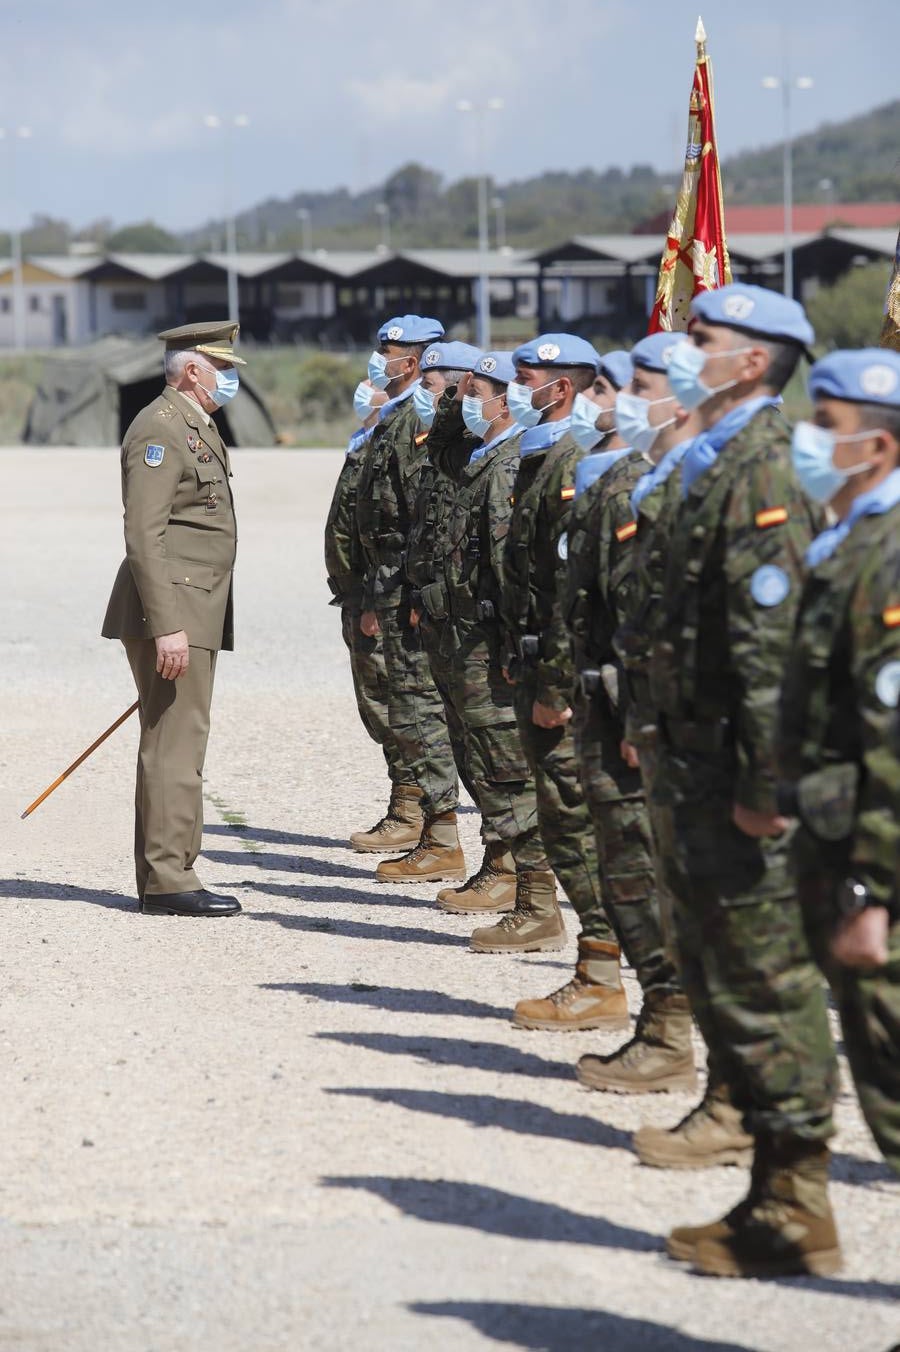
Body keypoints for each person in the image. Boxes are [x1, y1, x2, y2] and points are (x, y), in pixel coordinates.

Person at [650, 283, 840, 1279]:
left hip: (741, 770)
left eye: (704, 338)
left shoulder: (764, 469)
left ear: (756, 360)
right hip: (699, 757)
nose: (688, 349)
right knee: (722, 961)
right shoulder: (714, 458)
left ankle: (798, 1201)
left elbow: (771, 651)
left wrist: (765, 782)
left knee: (769, 976)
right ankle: (762, 1171)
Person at [778, 347, 900, 1180]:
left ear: (880, 449)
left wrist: (873, 889)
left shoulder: (887, 556)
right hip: (834, 840)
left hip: (873, 865)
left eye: (828, 428)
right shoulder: (847, 539)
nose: (808, 442)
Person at [474, 335, 623, 1003]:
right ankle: (547, 915)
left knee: (569, 808)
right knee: (552, 800)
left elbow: (569, 583)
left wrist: (556, 678)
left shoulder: (572, 461)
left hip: (560, 664)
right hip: (533, 652)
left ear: (559, 388)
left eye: (526, 377)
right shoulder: (544, 454)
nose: (516, 388)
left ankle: (597, 960)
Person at [566, 336, 697, 1091]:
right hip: (621, 714)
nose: (615, 400)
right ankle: (664, 1031)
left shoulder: (686, 490)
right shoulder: (635, 481)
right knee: (630, 876)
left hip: (660, 728)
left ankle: (678, 1039)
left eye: (636, 384)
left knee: (662, 883)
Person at [101, 321, 244, 917]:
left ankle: (175, 868)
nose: (230, 381)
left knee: (183, 741)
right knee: (173, 745)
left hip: (193, 603)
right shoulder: (160, 429)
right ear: (193, 371)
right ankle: (168, 879)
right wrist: (167, 625)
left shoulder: (193, 425)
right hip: (175, 609)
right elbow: (144, 534)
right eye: (223, 370)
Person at [424, 352, 540, 915]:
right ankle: (499, 861)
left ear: (506, 398)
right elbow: (439, 449)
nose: (471, 401)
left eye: (479, 392)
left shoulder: (515, 460)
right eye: (469, 392)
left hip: (490, 636)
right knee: (473, 751)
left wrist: (513, 643)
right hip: (459, 632)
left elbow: (513, 566)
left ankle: (515, 872)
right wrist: (452, 397)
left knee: (502, 757)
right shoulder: (475, 455)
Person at [355, 316, 466, 885]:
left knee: (417, 708)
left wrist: (386, 594)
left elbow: (413, 520)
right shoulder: (388, 420)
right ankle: (421, 819)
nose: (386, 360)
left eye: (396, 352)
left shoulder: (419, 429)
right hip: (381, 586)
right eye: (384, 350)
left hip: (402, 590)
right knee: (397, 707)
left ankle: (431, 823)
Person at [325, 381, 424, 854]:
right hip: (361, 593)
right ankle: (412, 805)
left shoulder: (410, 429)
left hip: (382, 595)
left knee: (399, 706)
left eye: (390, 355)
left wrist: (375, 599)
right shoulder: (373, 432)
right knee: (380, 704)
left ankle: (415, 809)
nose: (372, 377)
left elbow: (397, 527)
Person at [405, 340, 484, 835]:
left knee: (491, 750)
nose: (424, 395)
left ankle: (509, 870)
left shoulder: (490, 454)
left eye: (432, 387)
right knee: (458, 734)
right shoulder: (446, 447)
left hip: (474, 620)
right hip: (439, 608)